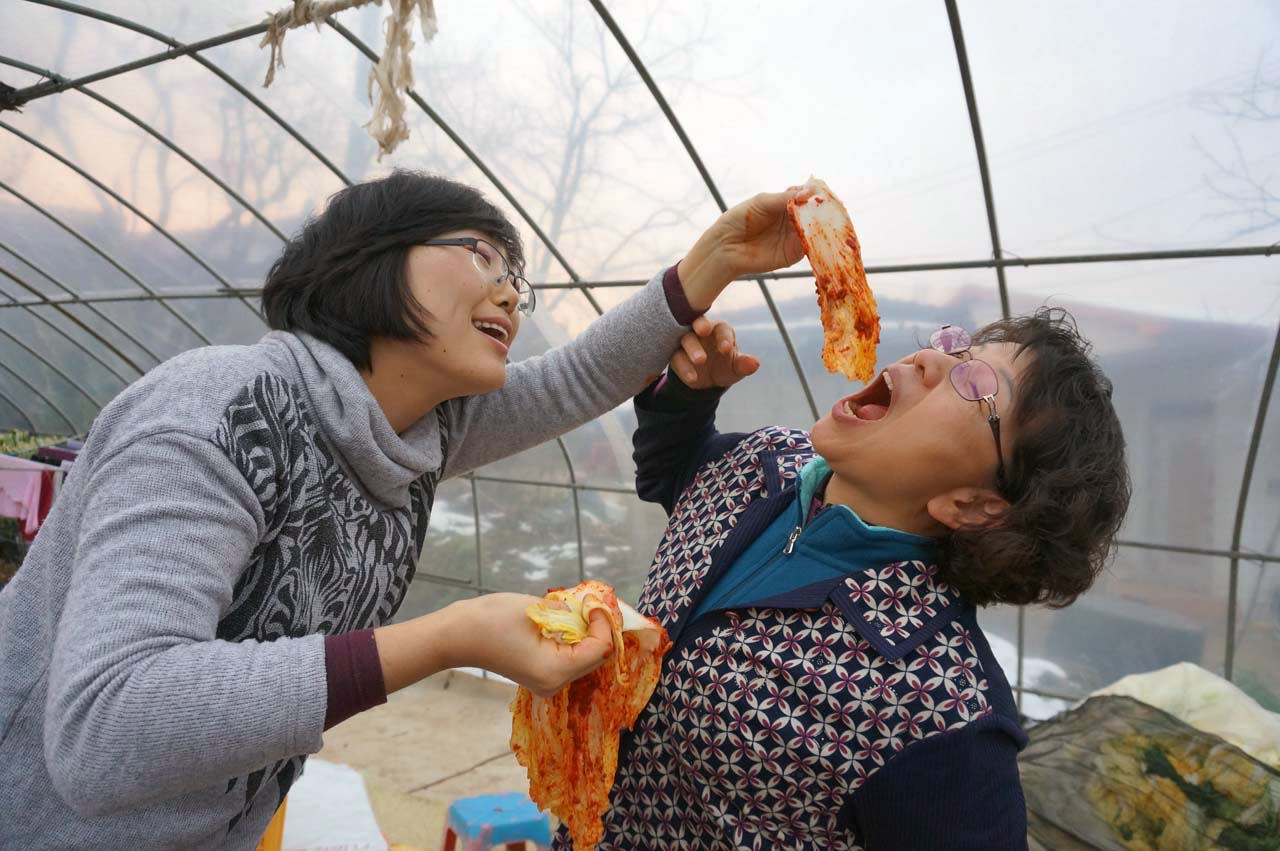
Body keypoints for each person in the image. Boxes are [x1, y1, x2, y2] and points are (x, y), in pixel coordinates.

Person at [0, 169, 807, 849]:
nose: (509, 291)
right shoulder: (221, 411)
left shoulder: (416, 429)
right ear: (370, 262)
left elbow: (581, 375)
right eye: (480, 253)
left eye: (516, 277)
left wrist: (718, 257)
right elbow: (102, 727)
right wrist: (441, 638)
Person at [559, 308, 1131, 850]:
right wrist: (687, 397)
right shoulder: (766, 461)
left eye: (977, 381)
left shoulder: (939, 710)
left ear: (974, 504)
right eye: (958, 346)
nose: (930, 358)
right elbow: (677, 472)